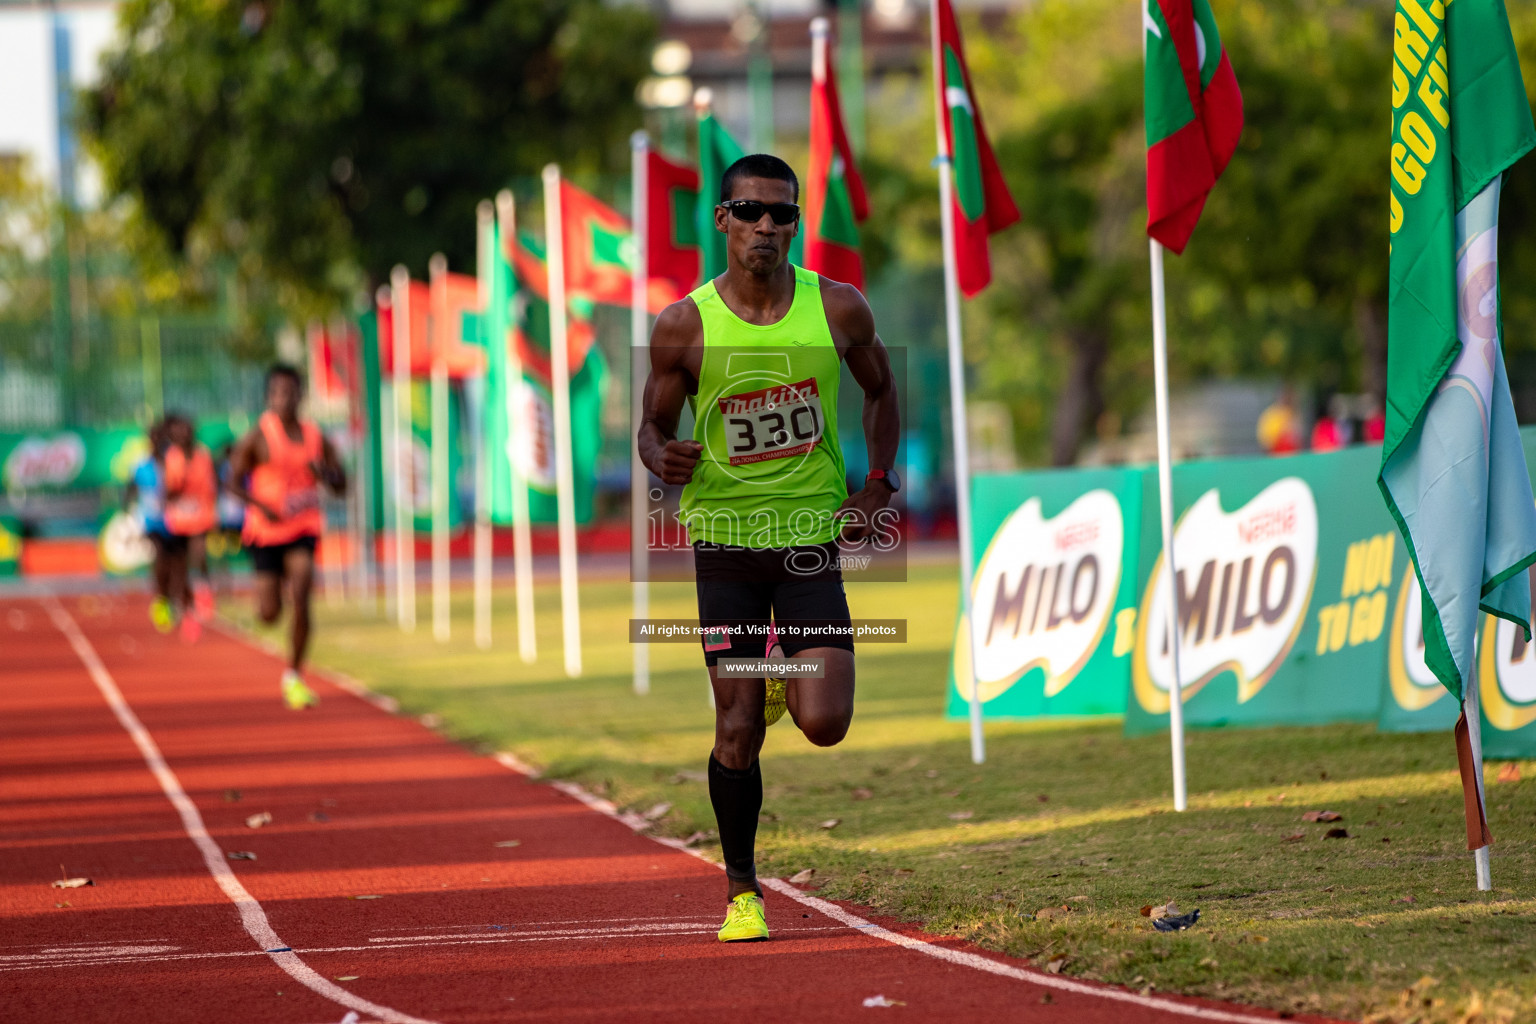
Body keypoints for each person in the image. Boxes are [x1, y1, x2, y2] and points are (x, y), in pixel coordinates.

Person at [638, 154, 900, 943]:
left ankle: (786, 673)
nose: (766, 226)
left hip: (810, 539)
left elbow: (882, 392)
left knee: (825, 722)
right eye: (750, 210)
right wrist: (659, 455)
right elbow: (652, 425)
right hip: (724, 542)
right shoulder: (684, 325)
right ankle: (742, 892)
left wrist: (879, 484)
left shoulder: (839, 309)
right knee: (736, 727)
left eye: (781, 214)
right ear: (722, 218)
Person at [228, 365, 346, 709]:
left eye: (291, 391)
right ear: (269, 397)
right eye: (278, 392)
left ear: (301, 395)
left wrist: (327, 475)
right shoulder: (258, 436)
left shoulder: (315, 436)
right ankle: (272, 592)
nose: (285, 398)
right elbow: (232, 481)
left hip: (303, 527)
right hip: (265, 532)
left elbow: (342, 484)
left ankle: (294, 675)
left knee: (304, 586)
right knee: (269, 614)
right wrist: (259, 506)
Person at [162, 413, 219, 640]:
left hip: (201, 515)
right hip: (178, 518)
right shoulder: (172, 457)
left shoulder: (203, 455)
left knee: (199, 553)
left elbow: (211, 485)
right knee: (181, 569)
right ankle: (188, 613)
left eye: (186, 429)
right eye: (178, 431)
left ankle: (204, 589)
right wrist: (177, 487)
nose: (183, 434)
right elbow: (168, 491)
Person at [125, 418, 180, 633]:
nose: (157, 441)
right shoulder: (141, 465)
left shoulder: (172, 462)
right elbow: (130, 488)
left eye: (160, 437)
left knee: (176, 562)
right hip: (151, 521)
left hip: (174, 520)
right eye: (153, 437)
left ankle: (173, 598)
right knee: (160, 557)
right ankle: (161, 600)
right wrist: (127, 511)